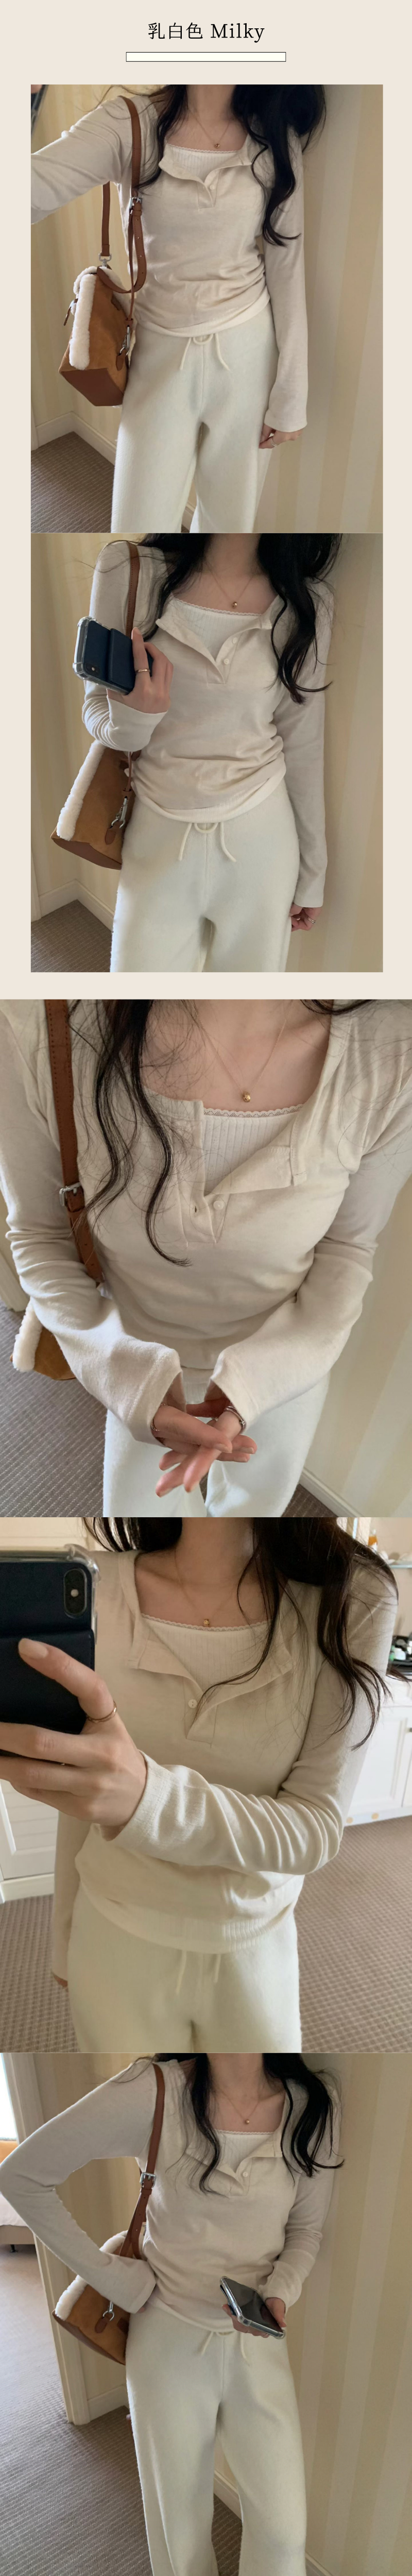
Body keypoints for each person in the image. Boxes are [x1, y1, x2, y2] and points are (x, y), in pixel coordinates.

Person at [1, 998, 411, 1517]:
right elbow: (40, 1235)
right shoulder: (37, 1028)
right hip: (130, 1368)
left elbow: (347, 1248)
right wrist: (124, 1379)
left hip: (285, 1371)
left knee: (254, 1518)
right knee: (137, 1519)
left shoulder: (393, 1049)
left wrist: (259, 1384)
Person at [0, 1518, 396, 2046]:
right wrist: (64, 1937)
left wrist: (146, 1798)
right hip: (111, 1937)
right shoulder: (98, 1584)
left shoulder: (354, 1597)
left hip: (255, 1947)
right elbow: (88, 1794)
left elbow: (316, 1828)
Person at [5, 2050, 341, 2575]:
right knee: (179, 2533)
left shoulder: (313, 2103)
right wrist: (116, 2279)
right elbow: (21, 2176)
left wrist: (279, 2292)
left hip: (257, 2343)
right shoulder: (153, 2090)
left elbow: (306, 2229)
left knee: (282, 2534)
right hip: (166, 2342)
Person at [31, 83, 324, 530]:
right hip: (158, 356)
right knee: (137, 522)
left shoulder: (276, 137)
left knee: (230, 522)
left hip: (249, 353)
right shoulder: (127, 124)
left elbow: (286, 266)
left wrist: (292, 396)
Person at [77, 533, 336, 971]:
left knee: (245, 1005)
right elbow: (96, 709)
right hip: (156, 837)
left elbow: (304, 743)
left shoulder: (310, 603)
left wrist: (314, 874)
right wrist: (136, 719)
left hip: (263, 843)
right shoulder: (129, 569)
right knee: (139, 996)